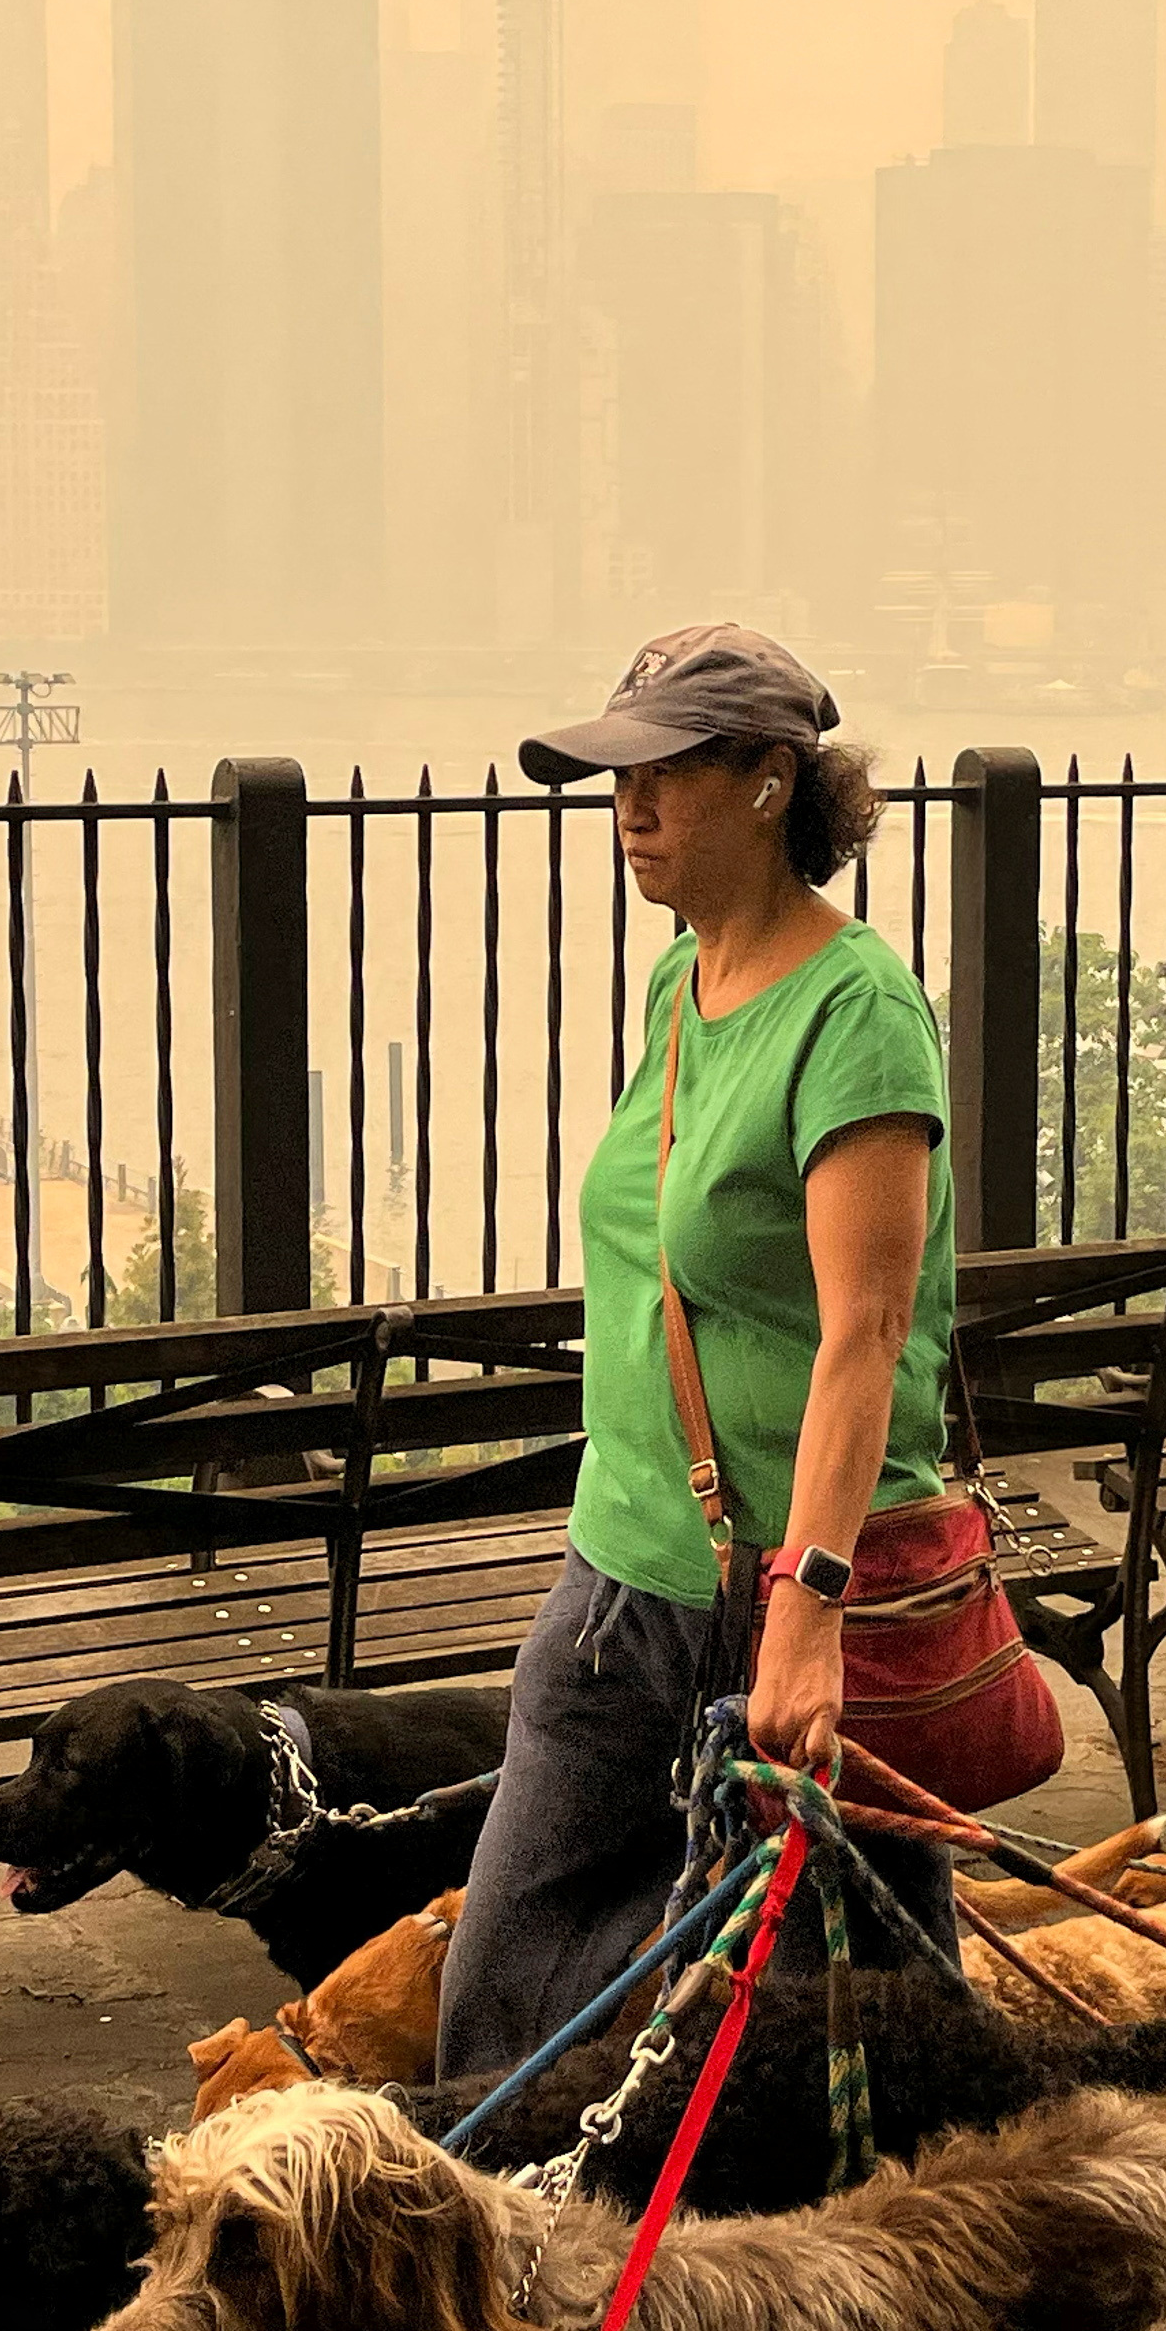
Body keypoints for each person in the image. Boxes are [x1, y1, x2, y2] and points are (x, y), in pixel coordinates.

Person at [432, 621, 962, 2082]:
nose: (631, 807)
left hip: (780, 1594)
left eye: (667, 773)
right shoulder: (683, 986)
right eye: (618, 778)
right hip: (617, 1582)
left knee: (871, 2025)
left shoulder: (859, 1012)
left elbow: (866, 1329)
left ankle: (971, 2272)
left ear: (771, 783)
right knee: (498, 1993)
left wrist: (810, 1606)